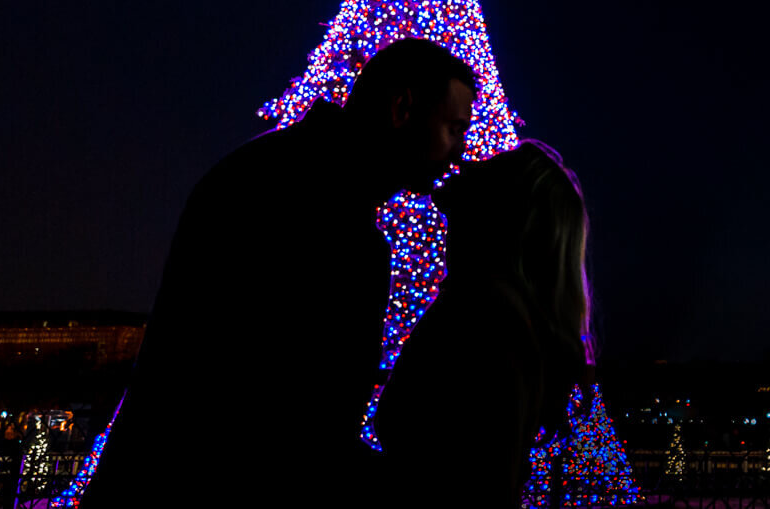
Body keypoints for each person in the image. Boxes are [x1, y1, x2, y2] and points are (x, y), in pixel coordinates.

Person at [83, 38, 478, 507]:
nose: (460, 152)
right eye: (454, 129)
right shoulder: (327, 222)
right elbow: (296, 431)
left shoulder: (262, 173)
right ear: (402, 107)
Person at [375, 140, 591, 508]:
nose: (466, 164)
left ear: (498, 215)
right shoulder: (496, 316)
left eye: (488, 169)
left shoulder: (483, 323)